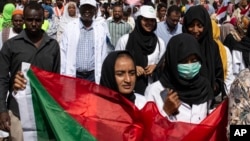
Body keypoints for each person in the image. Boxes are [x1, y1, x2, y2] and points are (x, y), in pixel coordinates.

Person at [0, 2, 60, 140]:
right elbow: (2, 79)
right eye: (29, 20)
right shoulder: (10, 45)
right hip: (17, 113)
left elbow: (56, 81)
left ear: (43, 20)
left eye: (38, 20)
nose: (34, 23)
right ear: (24, 20)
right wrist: (2, 110)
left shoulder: (53, 46)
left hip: (44, 113)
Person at [145, 33, 214, 124]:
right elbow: (149, 129)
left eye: (194, 60)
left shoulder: (204, 88)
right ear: (172, 61)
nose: (189, 66)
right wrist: (165, 112)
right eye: (183, 61)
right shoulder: (155, 91)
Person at [115, 5, 166, 95]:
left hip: (151, 91)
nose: (149, 23)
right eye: (145, 20)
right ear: (138, 20)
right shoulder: (125, 40)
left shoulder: (160, 43)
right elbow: (115, 63)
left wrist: (156, 66)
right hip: (128, 90)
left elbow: (163, 64)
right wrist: (132, 68)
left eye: (152, 20)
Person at [60, 0, 110, 84]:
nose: (87, 10)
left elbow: (103, 55)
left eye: (90, 8)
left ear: (95, 11)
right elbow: (63, 53)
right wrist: (62, 75)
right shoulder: (70, 27)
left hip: (93, 76)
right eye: (84, 8)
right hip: (74, 74)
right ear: (79, 9)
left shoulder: (100, 29)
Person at [182, 5, 224, 104]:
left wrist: (213, 87)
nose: (195, 30)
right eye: (191, 25)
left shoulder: (212, 47)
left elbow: (219, 75)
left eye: (199, 26)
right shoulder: (181, 44)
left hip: (207, 102)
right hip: (183, 102)